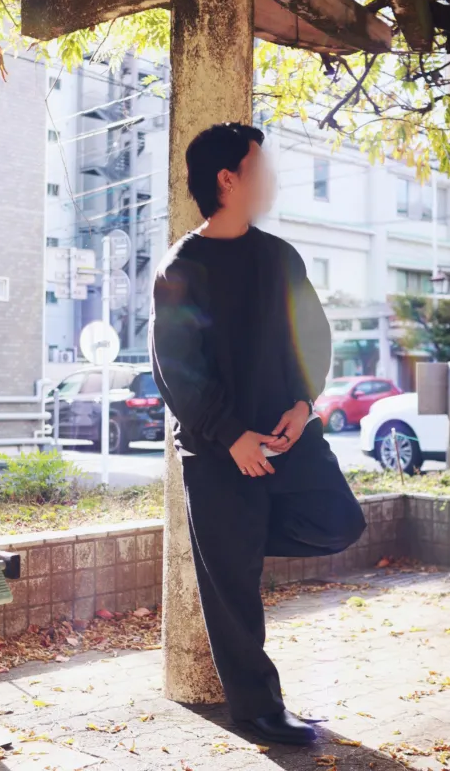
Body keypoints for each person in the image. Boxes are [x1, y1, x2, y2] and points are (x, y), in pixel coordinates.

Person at [148, 123, 366, 746]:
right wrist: (231, 436)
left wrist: (303, 402)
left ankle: (229, 550)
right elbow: (176, 368)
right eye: (261, 168)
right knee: (234, 597)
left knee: (341, 523)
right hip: (220, 454)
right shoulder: (180, 268)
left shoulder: (280, 257)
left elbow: (313, 335)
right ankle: (258, 711)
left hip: (289, 439)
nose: (271, 180)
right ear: (228, 179)